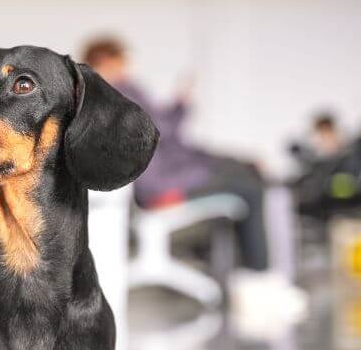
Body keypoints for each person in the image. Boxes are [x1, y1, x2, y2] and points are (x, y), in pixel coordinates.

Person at [81, 37, 306, 318]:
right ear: (107, 60)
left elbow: (169, 135)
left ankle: (256, 281)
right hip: (160, 186)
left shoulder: (98, 96)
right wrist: (181, 103)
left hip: (163, 177)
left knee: (245, 177)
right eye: (123, 59)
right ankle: (257, 285)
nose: (128, 66)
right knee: (250, 188)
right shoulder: (120, 90)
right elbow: (163, 129)